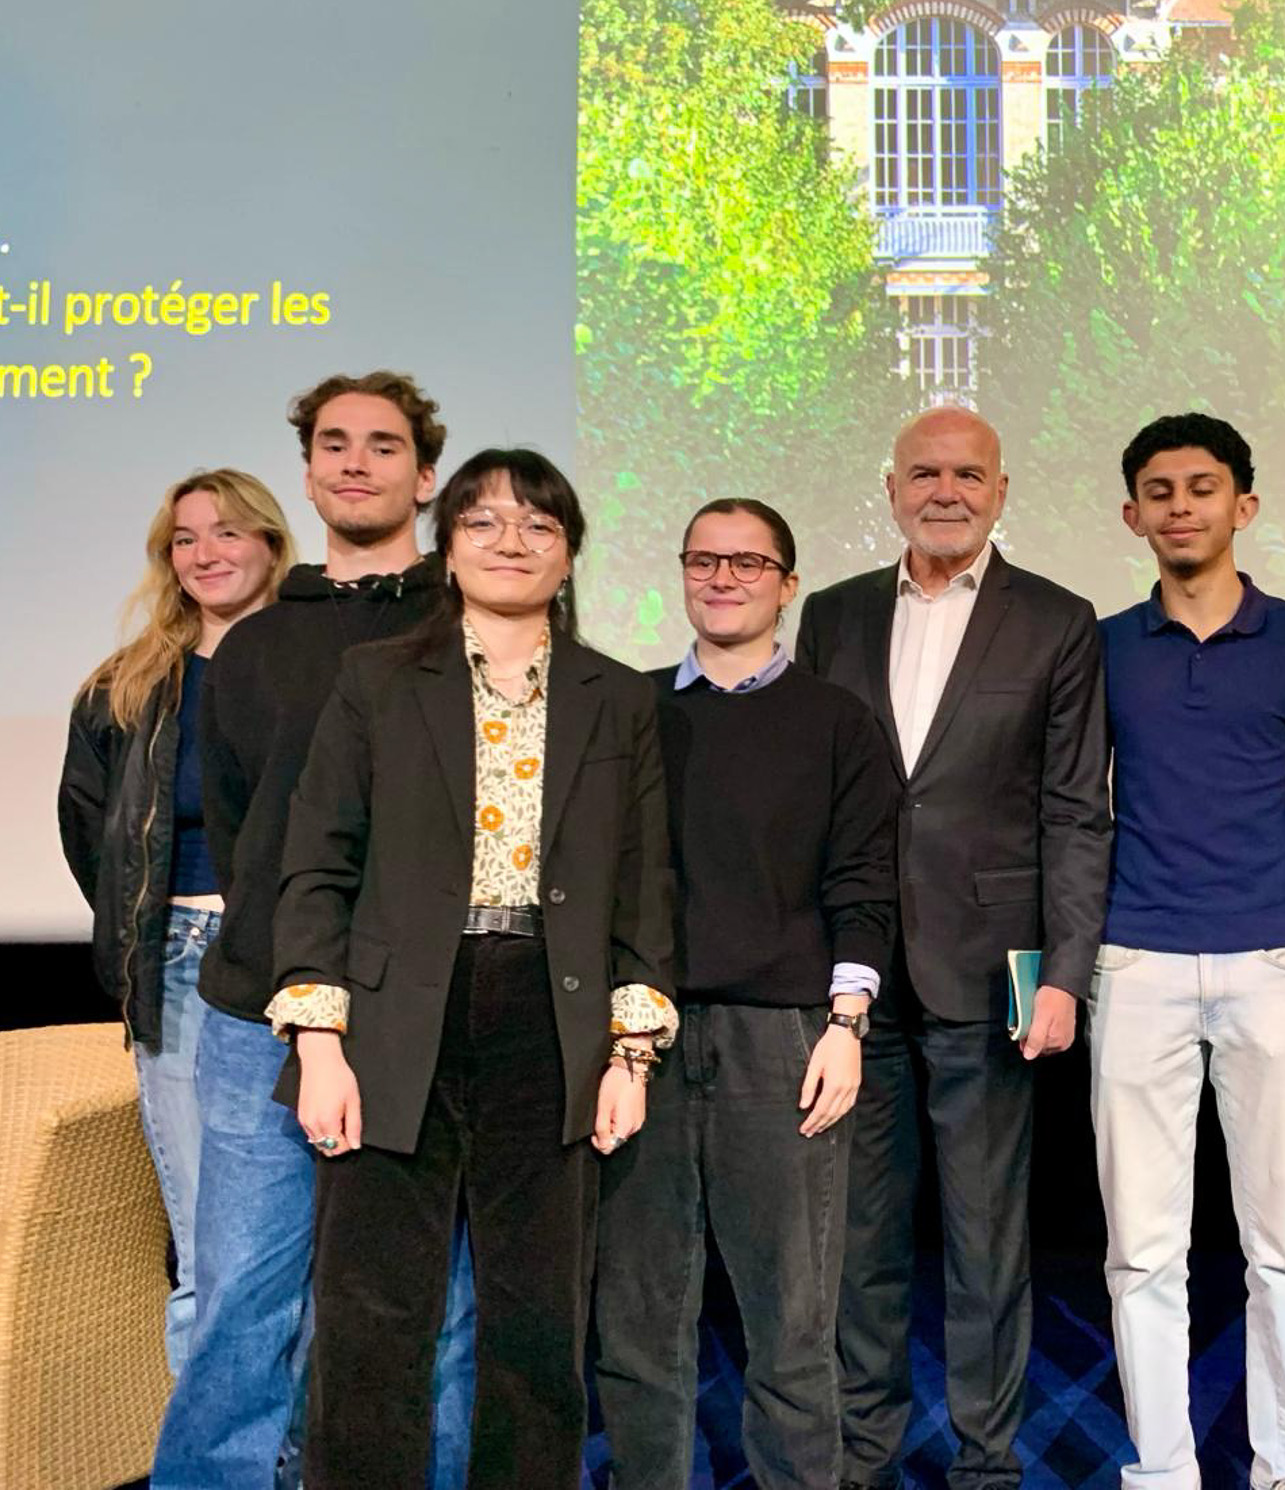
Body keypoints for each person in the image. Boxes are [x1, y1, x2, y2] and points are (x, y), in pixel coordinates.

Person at [269, 447, 674, 1488]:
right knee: (371, 1318)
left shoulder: (618, 697)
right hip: (394, 1019)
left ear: (569, 552)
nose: (511, 541)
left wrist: (630, 1052)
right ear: (447, 545)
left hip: (552, 1017)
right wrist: (321, 1039)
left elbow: (642, 887)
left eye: (538, 524)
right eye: (484, 521)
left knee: (539, 1322)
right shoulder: (373, 681)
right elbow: (318, 862)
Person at [154, 371, 475, 1490]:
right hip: (261, 1015)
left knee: (435, 1301)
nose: (354, 461)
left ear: (425, 475)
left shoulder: (466, 623)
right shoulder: (254, 648)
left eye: (383, 445)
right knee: (243, 1292)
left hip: (424, 1012)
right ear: (306, 470)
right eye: (333, 443)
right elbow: (247, 840)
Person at [796, 406, 1112, 1490]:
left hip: (994, 975)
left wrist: (1065, 971)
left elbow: (1075, 811)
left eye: (966, 474)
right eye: (923, 472)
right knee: (857, 1240)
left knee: (987, 1243)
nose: (944, 490)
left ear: (1001, 488)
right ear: (889, 489)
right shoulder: (830, 616)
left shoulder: (1057, 621)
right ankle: (863, 1454)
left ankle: (986, 1462)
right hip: (854, 975)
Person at [595, 498, 897, 1489]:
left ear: (787, 583)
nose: (723, 577)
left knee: (793, 1326)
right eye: (703, 559)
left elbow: (862, 882)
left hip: (788, 1041)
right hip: (645, 1041)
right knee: (639, 1322)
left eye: (748, 562)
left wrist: (847, 1024)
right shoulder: (629, 710)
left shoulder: (837, 722)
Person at [1090, 412, 1285, 1490]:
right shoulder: (1100, 645)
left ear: (1242, 504)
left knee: (1282, 1244)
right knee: (1141, 1249)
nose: (1180, 504)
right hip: (1135, 961)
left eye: (1201, 486)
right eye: (1159, 488)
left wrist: (1261, 886)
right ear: (1131, 513)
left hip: (1273, 961)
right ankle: (1163, 1468)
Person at [58, 468, 297, 1377]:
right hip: (180, 966)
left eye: (228, 532)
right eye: (186, 539)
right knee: (207, 1249)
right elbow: (95, 832)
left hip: (297, 969)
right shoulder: (127, 687)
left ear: (272, 543)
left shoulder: (326, 676)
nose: (207, 553)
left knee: (300, 1248)